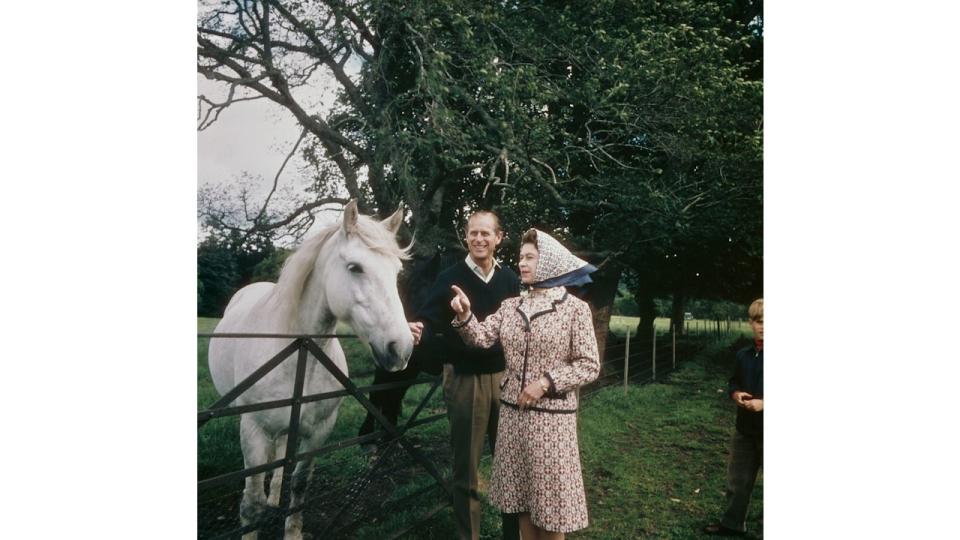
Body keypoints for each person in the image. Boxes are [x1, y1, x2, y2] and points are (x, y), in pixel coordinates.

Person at [450, 228, 600, 539]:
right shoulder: (510, 306)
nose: (522, 263)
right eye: (521, 257)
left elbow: (589, 366)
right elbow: (480, 338)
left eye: (531, 257)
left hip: (552, 424)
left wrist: (546, 381)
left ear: (549, 263)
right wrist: (465, 315)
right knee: (521, 504)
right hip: (512, 420)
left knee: (551, 511)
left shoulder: (575, 309)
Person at [413, 211, 522, 540]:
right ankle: (468, 535)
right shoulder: (450, 277)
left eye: (485, 233)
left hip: (504, 379)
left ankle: (512, 534)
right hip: (465, 380)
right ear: (466, 237)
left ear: (498, 238)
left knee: (510, 465)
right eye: (473, 233)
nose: (478, 239)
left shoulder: (511, 280)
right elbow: (429, 318)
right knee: (467, 469)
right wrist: (419, 328)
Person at [704, 298, 764, 537]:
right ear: (751, 323)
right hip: (745, 429)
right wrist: (736, 394)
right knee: (737, 480)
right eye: (759, 321)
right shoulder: (744, 355)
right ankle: (732, 523)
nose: (764, 326)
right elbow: (733, 381)